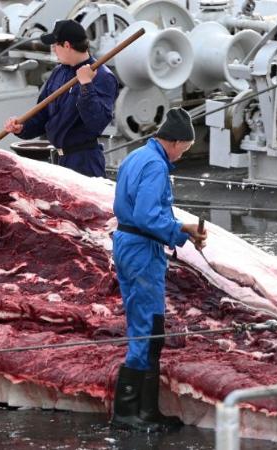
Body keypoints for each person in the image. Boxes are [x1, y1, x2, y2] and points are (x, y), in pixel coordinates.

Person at [110, 108, 207, 431]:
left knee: (148, 325)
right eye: (185, 148)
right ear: (175, 141)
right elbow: (148, 216)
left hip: (129, 244)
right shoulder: (154, 166)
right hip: (141, 249)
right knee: (148, 327)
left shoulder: (138, 156)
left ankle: (144, 411)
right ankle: (129, 414)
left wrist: (183, 229)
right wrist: (182, 231)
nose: (183, 154)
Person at [3, 19, 118, 177]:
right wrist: (22, 127)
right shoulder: (58, 73)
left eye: (54, 45)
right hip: (58, 160)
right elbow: (42, 116)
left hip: (84, 162)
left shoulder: (102, 77)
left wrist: (86, 84)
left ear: (66, 45)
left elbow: (96, 122)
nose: (53, 50)